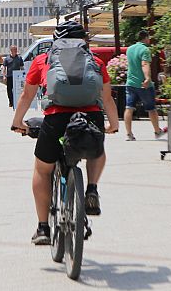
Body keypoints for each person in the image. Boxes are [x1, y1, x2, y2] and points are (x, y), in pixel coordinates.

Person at [10, 21, 119, 245]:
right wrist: (114, 125)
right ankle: (91, 189)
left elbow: (26, 96)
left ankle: (42, 228)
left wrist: (17, 122)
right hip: (90, 117)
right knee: (96, 150)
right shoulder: (96, 62)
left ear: (56, 41)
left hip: (56, 119)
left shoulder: (44, 61)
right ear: (84, 41)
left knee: (42, 170)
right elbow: (107, 98)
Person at [123, 31, 166, 141]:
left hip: (130, 83)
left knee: (129, 108)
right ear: (146, 38)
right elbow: (144, 64)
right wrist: (147, 78)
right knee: (151, 108)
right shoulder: (145, 49)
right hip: (143, 84)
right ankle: (157, 131)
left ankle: (129, 134)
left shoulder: (130, 49)